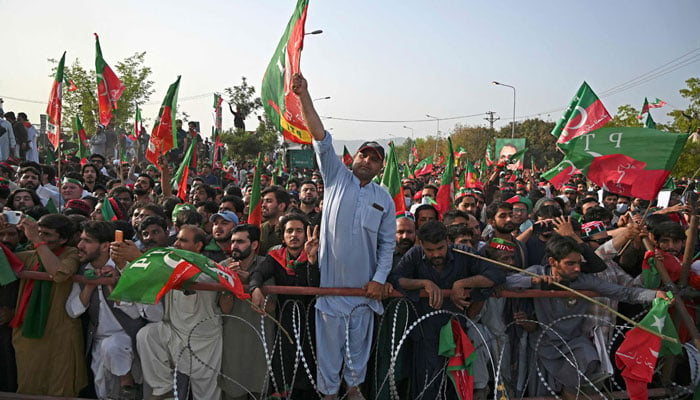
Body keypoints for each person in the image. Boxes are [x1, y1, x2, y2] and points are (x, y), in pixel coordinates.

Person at [294, 73, 396, 400]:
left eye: (375, 158)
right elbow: (320, 135)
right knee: (327, 374)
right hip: (331, 293)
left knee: (355, 379)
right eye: (364, 155)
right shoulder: (336, 177)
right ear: (355, 159)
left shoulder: (385, 198)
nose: (367, 160)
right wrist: (304, 95)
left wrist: (379, 280)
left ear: (380, 167)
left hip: (364, 295)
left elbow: (387, 245)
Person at [505, 234, 670, 399]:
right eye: (570, 264)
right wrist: (534, 282)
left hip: (573, 343)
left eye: (578, 262)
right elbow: (507, 281)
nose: (577, 268)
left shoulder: (585, 281)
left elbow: (624, 293)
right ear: (552, 262)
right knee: (542, 392)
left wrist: (654, 295)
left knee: (588, 362)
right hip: (544, 342)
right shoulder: (538, 272)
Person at [389, 220, 503, 399]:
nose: (436, 254)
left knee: (455, 387)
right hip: (425, 334)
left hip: (456, 333)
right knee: (428, 387)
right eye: (430, 250)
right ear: (421, 244)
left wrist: (463, 283)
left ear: (448, 242)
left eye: (440, 248)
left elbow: (496, 274)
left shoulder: (463, 253)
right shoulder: (415, 255)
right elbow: (396, 278)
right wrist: (423, 283)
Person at [66, 221, 163, 400]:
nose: (80, 246)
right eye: (81, 240)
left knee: (113, 347)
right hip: (96, 341)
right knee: (103, 392)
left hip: (127, 338)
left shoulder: (124, 267)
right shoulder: (82, 270)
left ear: (105, 246)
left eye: (87, 241)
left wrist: (114, 286)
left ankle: (128, 384)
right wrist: (89, 286)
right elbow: (73, 311)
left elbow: (136, 313)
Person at [135, 224, 223, 400]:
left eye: (183, 240)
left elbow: (187, 278)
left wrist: (137, 258)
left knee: (207, 396)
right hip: (174, 334)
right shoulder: (172, 264)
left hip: (204, 344)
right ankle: (163, 388)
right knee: (147, 334)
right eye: (177, 239)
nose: (176, 244)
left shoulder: (209, 269)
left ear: (198, 246)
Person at [11, 214, 88, 396]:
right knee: (29, 386)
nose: (42, 238)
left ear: (63, 239)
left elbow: (59, 272)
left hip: (60, 333)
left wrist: (38, 241)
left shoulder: (71, 254)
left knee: (60, 386)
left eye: (47, 235)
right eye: (39, 233)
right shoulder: (31, 255)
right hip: (28, 334)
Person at [249, 214, 321, 398]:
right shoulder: (276, 257)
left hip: (312, 322)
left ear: (306, 235)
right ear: (283, 236)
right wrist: (255, 288)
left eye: (299, 231)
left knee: (309, 370)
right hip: (285, 322)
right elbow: (259, 273)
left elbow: (316, 286)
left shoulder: (318, 255)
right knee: (284, 369)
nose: (294, 235)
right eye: (289, 231)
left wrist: (312, 263)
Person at [218, 224, 271, 400]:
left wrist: (250, 283)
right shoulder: (223, 267)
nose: (234, 246)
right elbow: (225, 308)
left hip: (261, 341)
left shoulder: (267, 266)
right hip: (233, 341)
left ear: (254, 245)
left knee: (260, 390)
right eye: (233, 242)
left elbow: (270, 307)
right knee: (234, 391)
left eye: (240, 242)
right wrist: (230, 284)